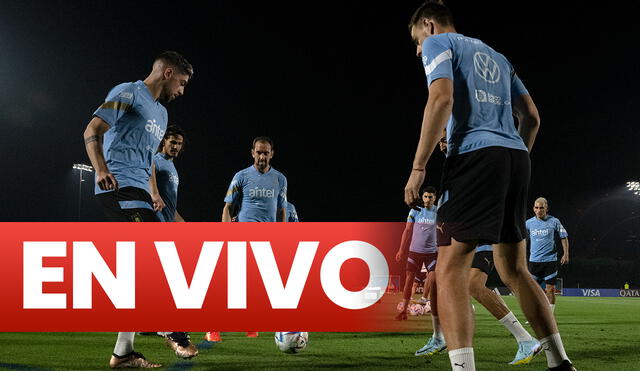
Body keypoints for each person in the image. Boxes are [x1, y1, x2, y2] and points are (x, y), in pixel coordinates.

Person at [403, 2, 574, 370]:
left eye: (417, 41)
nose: (419, 50)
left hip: (474, 158)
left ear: (428, 26)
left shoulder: (438, 44)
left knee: (449, 269)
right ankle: (559, 363)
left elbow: (441, 98)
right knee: (514, 270)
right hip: (515, 158)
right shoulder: (497, 55)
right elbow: (531, 117)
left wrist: (419, 166)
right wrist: (512, 159)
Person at [83, 50, 195, 368]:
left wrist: (155, 194)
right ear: (168, 73)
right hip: (117, 188)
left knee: (136, 270)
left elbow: (147, 160)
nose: (182, 91)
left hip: (141, 196)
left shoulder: (161, 114)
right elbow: (92, 130)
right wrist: (101, 169)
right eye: (183, 83)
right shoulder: (128, 93)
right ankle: (169, 325)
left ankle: (123, 352)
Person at [205, 136, 288, 342]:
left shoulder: (280, 179)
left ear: (272, 154)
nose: (262, 156)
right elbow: (227, 207)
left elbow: (281, 210)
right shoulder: (241, 176)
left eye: (265, 152)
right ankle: (212, 327)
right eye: (258, 152)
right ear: (252, 153)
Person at [394, 186, 438, 321]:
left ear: (434, 198)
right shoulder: (415, 210)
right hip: (414, 252)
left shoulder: (438, 212)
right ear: (422, 197)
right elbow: (407, 230)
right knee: (409, 281)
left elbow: (444, 230)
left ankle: (425, 299)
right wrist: (401, 249)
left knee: (433, 276)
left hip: (432, 252)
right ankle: (404, 311)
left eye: (430, 197)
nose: (427, 199)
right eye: (425, 196)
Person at [526, 197, 570, 314]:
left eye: (541, 208)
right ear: (533, 209)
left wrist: (566, 254)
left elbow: (564, 237)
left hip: (550, 261)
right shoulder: (528, 223)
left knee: (550, 290)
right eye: (536, 207)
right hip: (534, 262)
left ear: (547, 208)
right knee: (533, 291)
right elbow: (524, 241)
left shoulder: (555, 221)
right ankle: (536, 316)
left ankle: (549, 316)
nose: (539, 210)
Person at [155, 125, 187, 222]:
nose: (175, 147)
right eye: (172, 142)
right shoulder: (156, 161)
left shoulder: (171, 166)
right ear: (164, 141)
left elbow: (170, 206)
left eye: (179, 144)